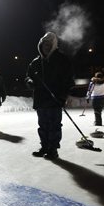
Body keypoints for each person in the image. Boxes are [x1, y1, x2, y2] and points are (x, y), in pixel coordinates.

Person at [25, 32, 75, 160]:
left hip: (55, 100)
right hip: (41, 100)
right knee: (43, 125)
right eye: (44, 44)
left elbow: (69, 81)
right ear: (40, 45)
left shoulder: (62, 60)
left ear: (53, 45)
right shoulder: (35, 62)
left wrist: (62, 97)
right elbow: (28, 76)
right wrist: (29, 82)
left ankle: (53, 149)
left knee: (54, 126)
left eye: (49, 44)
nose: (46, 47)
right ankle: (44, 146)